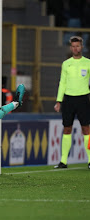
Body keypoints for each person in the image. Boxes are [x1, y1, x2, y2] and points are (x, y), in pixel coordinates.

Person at [54, 36, 90, 169]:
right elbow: (62, 83)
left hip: (83, 98)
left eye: (78, 46)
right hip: (68, 99)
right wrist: (59, 100)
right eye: (73, 46)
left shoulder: (88, 63)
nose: (76, 48)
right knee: (67, 128)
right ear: (71, 48)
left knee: (86, 129)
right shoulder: (66, 64)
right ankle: (63, 161)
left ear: (82, 47)